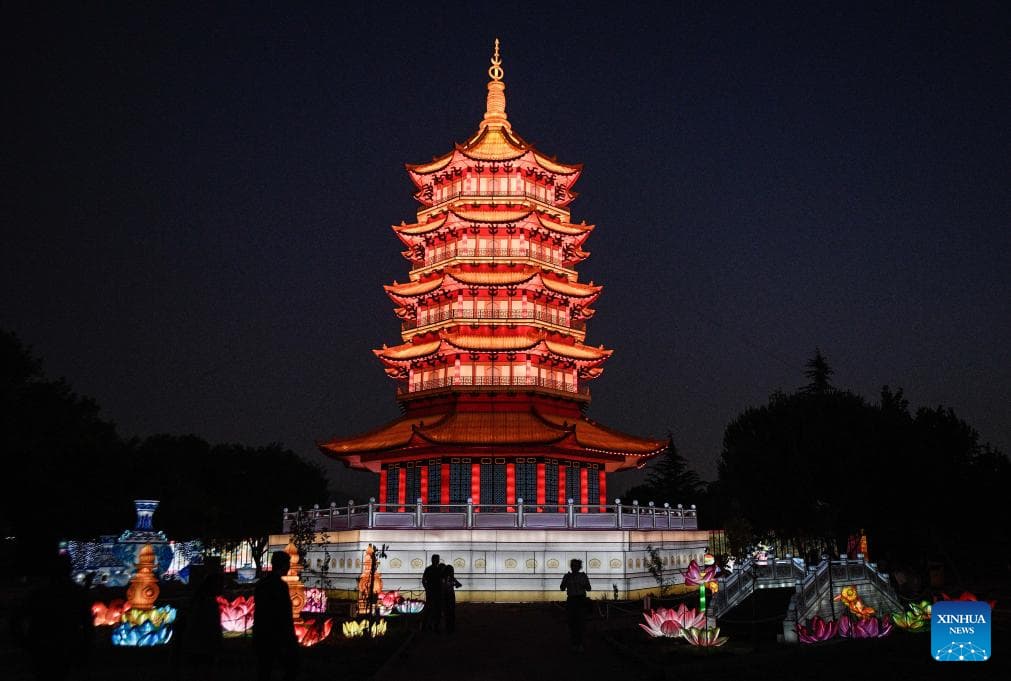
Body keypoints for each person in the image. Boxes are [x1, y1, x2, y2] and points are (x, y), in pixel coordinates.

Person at [12, 552, 93, 681]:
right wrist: (85, 648)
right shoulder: (76, 594)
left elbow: (16, 618)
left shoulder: (39, 594)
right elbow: (88, 624)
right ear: (69, 569)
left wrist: (24, 642)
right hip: (65, 647)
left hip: (42, 648)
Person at [253, 551, 298, 681]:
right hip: (277, 635)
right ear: (283, 565)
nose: (289, 567)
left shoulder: (262, 584)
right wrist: (290, 636)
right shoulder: (280, 585)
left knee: (264, 670)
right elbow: (284, 613)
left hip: (262, 633)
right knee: (291, 668)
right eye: (288, 564)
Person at [177, 570, 224, 680]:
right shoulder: (207, 603)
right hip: (202, 645)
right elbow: (210, 625)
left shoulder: (200, 600)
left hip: (196, 645)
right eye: (221, 585)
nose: (223, 588)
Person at [560, 558, 591, 652]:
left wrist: (583, 584)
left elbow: (589, 588)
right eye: (573, 566)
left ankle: (579, 643)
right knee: (573, 622)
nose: (575, 567)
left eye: (576, 566)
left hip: (578, 600)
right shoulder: (568, 576)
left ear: (579, 567)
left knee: (579, 622)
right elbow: (562, 588)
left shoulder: (582, 576)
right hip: (574, 600)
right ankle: (576, 643)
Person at [421, 554, 444, 631]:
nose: (437, 561)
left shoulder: (437, 569)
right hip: (433, 592)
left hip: (436, 592)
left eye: (438, 559)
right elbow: (424, 580)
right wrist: (427, 589)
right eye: (436, 559)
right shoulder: (433, 569)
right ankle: (429, 626)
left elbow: (424, 581)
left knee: (435, 610)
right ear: (432, 560)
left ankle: (431, 626)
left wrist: (427, 588)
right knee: (431, 610)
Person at [441, 565, 462, 634]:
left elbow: (459, 584)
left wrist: (455, 584)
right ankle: (450, 627)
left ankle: (449, 627)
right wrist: (454, 584)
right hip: (448, 595)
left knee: (449, 611)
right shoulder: (446, 578)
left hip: (447, 595)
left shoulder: (446, 578)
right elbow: (458, 584)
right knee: (449, 611)